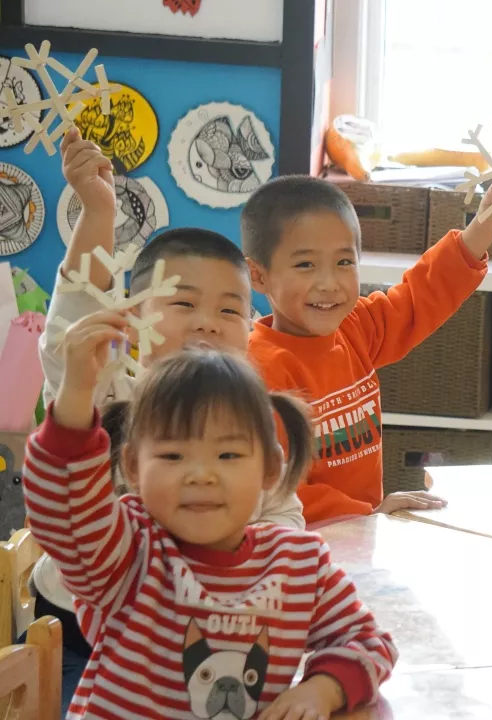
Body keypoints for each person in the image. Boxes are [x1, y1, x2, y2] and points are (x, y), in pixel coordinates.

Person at [31, 129, 303, 711]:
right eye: (183, 303)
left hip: (207, 644)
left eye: (229, 309)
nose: (207, 322)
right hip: (81, 637)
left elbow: (283, 519)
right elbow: (69, 336)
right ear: (130, 316)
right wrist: (98, 212)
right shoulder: (109, 387)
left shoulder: (250, 416)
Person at [22, 344, 398, 718]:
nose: (201, 474)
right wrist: (74, 397)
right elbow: (62, 513)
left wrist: (324, 688)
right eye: (173, 456)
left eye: (228, 455)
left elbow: (368, 641)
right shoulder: (128, 550)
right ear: (134, 467)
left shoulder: (300, 565)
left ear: (270, 469)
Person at [244, 175, 492, 524]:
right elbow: (274, 487)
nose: (329, 284)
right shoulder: (258, 371)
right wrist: (368, 513)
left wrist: (483, 230)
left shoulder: (354, 326)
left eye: (344, 263)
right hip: (302, 544)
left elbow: (419, 298)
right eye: (305, 265)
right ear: (258, 276)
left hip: (363, 528)